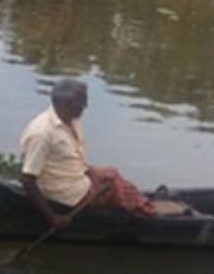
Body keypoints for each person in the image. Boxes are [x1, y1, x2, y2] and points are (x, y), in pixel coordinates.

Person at [19, 79, 156, 229]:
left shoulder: (70, 120)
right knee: (114, 184)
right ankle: (149, 214)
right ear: (67, 105)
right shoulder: (42, 134)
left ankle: (136, 202)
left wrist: (89, 171)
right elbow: (27, 179)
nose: (85, 107)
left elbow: (67, 159)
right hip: (67, 194)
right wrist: (52, 217)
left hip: (74, 177)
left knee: (111, 173)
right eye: (82, 104)